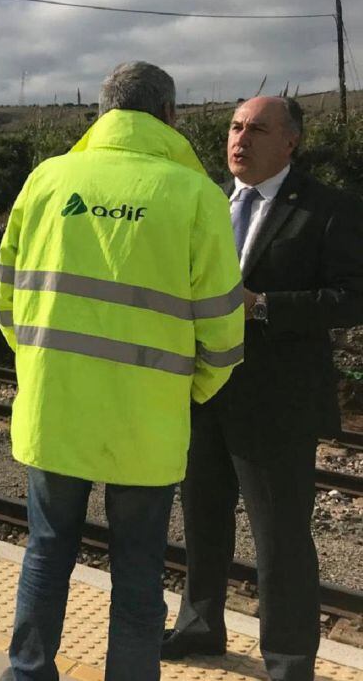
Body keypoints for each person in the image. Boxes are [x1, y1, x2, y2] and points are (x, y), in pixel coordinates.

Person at [0, 61, 244, 680]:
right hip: (148, 423)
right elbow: (221, 325)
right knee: (138, 570)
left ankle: (26, 675)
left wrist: (44, 367)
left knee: (47, 553)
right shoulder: (196, 196)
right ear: (170, 117)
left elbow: (6, 298)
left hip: (57, 410)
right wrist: (190, 390)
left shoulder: (47, 180)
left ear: (103, 110)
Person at [162, 97, 363, 680]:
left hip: (278, 404)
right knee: (202, 520)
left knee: (281, 541)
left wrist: (266, 306)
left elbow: (352, 296)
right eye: (234, 126)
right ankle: (199, 627)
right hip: (202, 392)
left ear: (290, 142)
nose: (239, 139)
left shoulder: (328, 208)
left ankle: (289, 661)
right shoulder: (205, 201)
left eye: (256, 129)